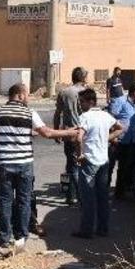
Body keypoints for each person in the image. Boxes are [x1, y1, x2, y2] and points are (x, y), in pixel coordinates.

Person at [0, 83, 77, 246]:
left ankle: (4, 238)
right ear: (20, 95)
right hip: (24, 164)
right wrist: (68, 132)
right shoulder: (29, 112)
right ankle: (21, 238)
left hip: (3, 163)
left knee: (4, 201)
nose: (28, 98)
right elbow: (47, 133)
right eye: (27, 94)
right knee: (24, 200)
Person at [72, 88, 124, 239]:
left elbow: (78, 138)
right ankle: (103, 228)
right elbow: (120, 128)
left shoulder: (85, 117)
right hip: (103, 160)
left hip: (89, 160)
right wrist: (106, 139)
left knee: (88, 198)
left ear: (91, 102)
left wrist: (80, 154)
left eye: (82, 102)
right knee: (102, 197)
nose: (80, 105)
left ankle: (87, 230)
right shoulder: (105, 115)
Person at [53, 66, 88, 205]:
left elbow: (58, 113)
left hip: (68, 133)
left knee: (71, 165)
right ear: (83, 78)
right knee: (80, 165)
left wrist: (56, 131)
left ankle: (70, 195)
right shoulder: (87, 92)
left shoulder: (64, 92)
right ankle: (80, 196)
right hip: (84, 133)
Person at [113, 84, 135, 199]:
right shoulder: (120, 101)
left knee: (132, 166)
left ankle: (130, 188)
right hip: (122, 141)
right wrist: (113, 136)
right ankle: (119, 192)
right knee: (122, 167)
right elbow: (111, 118)